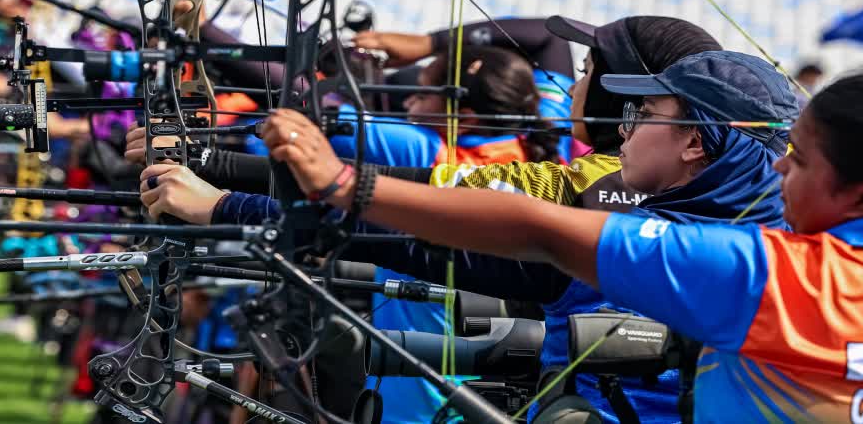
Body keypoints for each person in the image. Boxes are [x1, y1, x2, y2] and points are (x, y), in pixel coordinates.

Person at [241, 68, 863, 423]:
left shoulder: (780, 279)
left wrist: (342, 185)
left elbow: (545, 230)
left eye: (800, 157)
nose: (780, 165)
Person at [140, 41, 793, 423]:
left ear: (693, 142)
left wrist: (223, 199)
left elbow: (419, 237)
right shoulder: (783, 239)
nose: (623, 125)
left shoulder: (672, 250)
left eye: (645, 112)